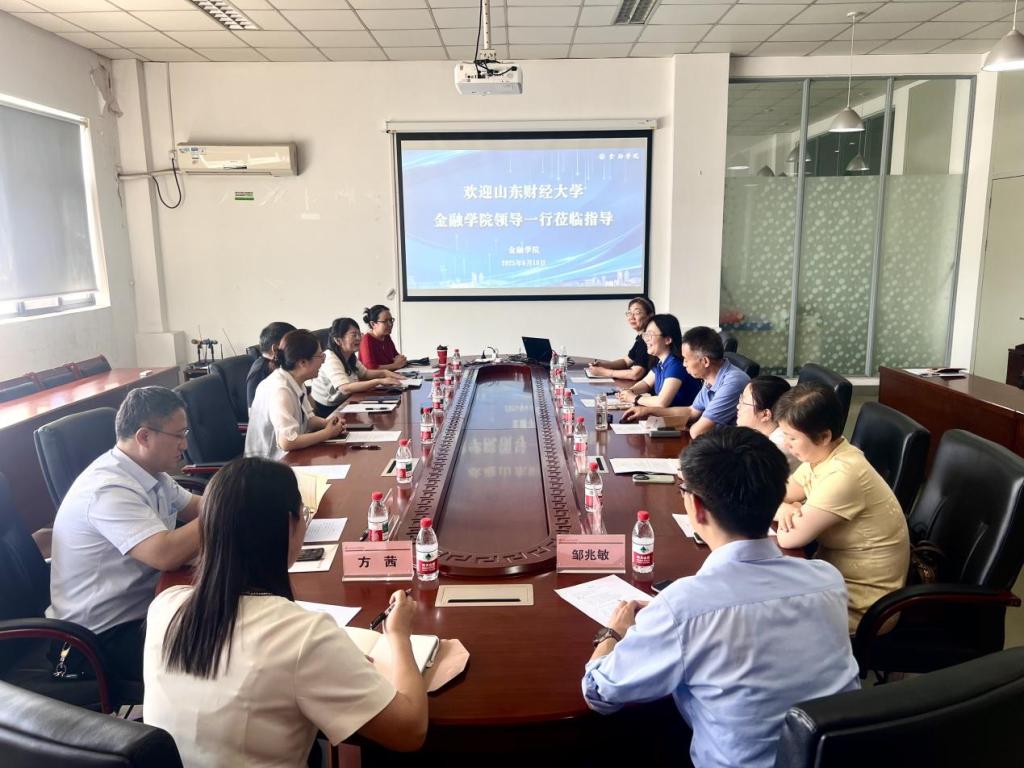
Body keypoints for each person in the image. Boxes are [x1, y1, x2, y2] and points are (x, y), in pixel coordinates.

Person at [582, 427, 860, 768]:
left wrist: (614, 633)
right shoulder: (827, 579)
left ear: (697, 507)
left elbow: (599, 693)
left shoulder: (683, 608)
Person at [144, 457, 427, 766]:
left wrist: (330, 659)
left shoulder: (165, 606)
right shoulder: (304, 636)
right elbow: (409, 730)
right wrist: (399, 635)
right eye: (303, 515)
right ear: (290, 524)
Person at [47, 386, 202, 683]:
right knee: (222, 654)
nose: (185, 444)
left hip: (142, 610)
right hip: (96, 641)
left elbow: (196, 508)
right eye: (178, 435)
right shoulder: (108, 489)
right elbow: (166, 554)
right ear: (144, 437)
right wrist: (227, 505)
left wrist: (235, 499)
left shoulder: (151, 474)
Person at [774, 383, 910, 632]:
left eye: (792, 437)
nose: (786, 443)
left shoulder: (844, 474)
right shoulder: (824, 455)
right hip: (827, 580)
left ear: (824, 436)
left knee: (764, 617)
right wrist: (785, 507)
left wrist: (786, 507)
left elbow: (789, 538)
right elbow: (777, 493)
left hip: (860, 606)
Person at [623, 325, 749, 438]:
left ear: (705, 361)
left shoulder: (732, 382)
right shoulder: (711, 377)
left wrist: (688, 426)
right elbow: (691, 411)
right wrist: (648, 411)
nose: (684, 364)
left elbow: (697, 431)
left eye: (686, 359)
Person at [246, 329, 347, 460]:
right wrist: (327, 433)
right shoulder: (280, 389)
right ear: (302, 362)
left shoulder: (295, 380)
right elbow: (287, 442)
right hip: (268, 463)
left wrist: (328, 423)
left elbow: (308, 419)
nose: (323, 361)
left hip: (291, 455)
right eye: (320, 356)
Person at [311, 317, 406, 417]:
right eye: (353, 335)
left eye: (359, 334)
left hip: (347, 401)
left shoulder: (349, 355)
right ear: (338, 340)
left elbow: (365, 374)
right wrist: (379, 381)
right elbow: (345, 388)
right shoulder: (330, 358)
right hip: (329, 410)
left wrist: (384, 373)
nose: (358, 338)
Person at [615, 314, 700, 412]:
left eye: (650, 335)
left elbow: (662, 402)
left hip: (683, 419)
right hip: (667, 417)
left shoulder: (676, 364)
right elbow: (646, 383)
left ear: (667, 339)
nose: (646, 340)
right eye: (645, 335)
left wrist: (634, 398)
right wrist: (629, 391)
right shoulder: (661, 362)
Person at [737, 374, 799, 472]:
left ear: (765, 414)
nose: (738, 406)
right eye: (740, 399)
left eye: (744, 402)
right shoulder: (761, 436)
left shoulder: (778, 448)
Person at [586, 296, 655, 382]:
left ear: (650, 315)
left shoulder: (648, 339)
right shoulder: (641, 337)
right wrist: (604, 365)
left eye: (637, 313)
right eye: (629, 313)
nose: (631, 317)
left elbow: (636, 374)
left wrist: (604, 372)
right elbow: (626, 361)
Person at [246, 321, 296, 409]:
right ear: (275, 349)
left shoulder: (281, 363)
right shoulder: (259, 372)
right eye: (293, 345)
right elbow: (254, 411)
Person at [359, 305, 408, 371]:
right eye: (385, 321)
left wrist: (400, 361)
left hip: (389, 375)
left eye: (391, 320)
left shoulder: (386, 336)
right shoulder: (366, 340)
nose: (390, 324)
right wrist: (395, 365)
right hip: (376, 377)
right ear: (373, 324)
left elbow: (397, 357)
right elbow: (370, 368)